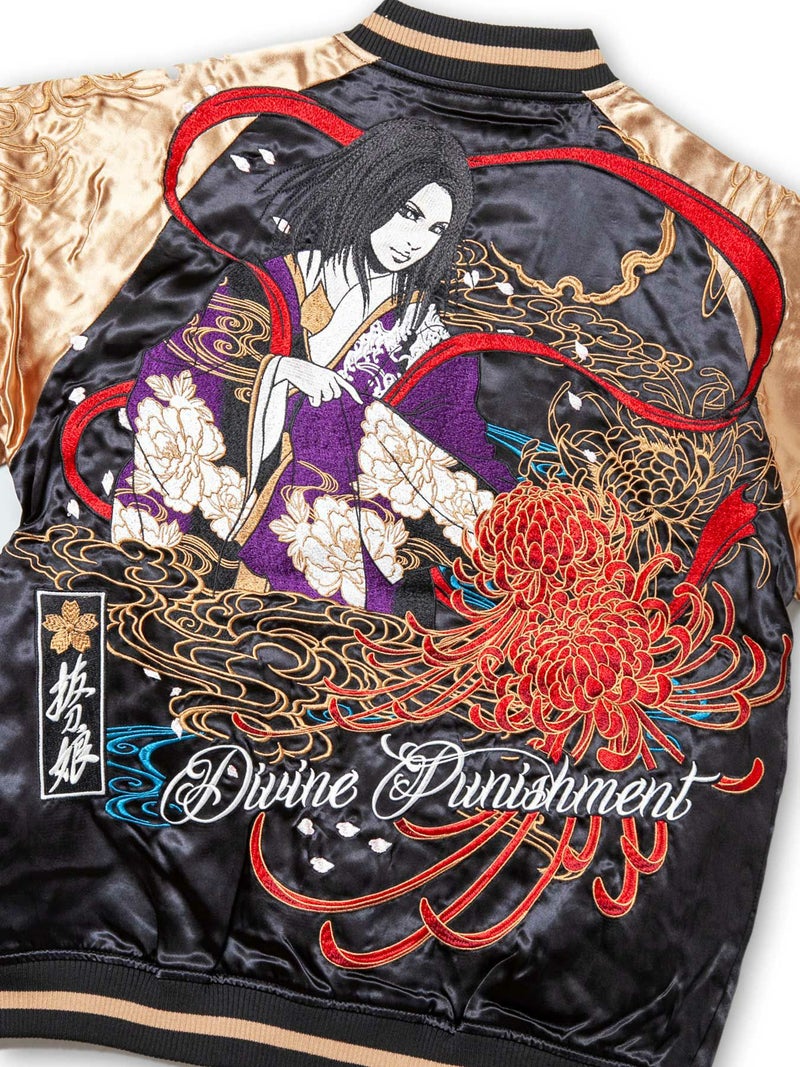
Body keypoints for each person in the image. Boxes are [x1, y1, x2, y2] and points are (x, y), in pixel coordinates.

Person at [113, 117, 516, 611]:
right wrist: (277, 375)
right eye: (408, 213)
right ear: (371, 193)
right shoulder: (265, 287)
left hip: (331, 557)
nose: (416, 240)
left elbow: (456, 442)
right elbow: (176, 375)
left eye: (436, 230)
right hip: (221, 528)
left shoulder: (425, 335)